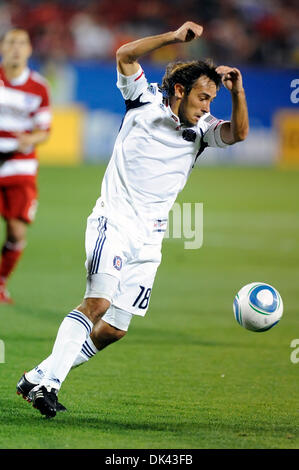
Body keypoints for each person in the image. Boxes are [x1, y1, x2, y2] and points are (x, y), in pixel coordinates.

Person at [16, 21, 249, 418]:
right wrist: (174, 39)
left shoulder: (202, 129)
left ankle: (37, 375)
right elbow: (125, 54)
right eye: (204, 98)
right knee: (98, 303)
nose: (208, 107)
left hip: (150, 239)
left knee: (114, 328)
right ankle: (48, 386)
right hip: (114, 221)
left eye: (212, 100)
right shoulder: (143, 100)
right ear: (180, 90)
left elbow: (239, 134)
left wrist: (237, 90)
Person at [0, 29, 51, 303]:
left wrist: (30, 138)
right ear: (2, 47)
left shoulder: (39, 87)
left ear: (29, 50)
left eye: (22, 43)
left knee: (16, 231)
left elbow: (44, 129)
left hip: (20, 166)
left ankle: (1, 282)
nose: (16, 49)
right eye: (11, 43)